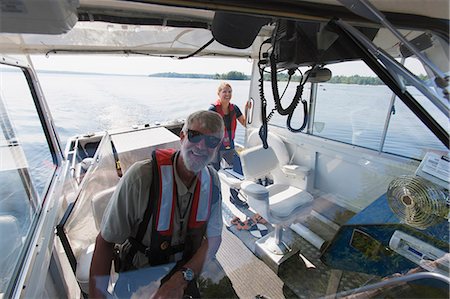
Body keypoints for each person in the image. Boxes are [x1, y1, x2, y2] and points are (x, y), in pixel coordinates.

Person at [89, 110, 225, 299]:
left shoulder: (213, 181)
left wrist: (181, 279)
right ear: (183, 136)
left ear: (218, 147)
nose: (201, 146)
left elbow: (214, 239)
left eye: (211, 141)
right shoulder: (141, 178)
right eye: (195, 136)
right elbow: (105, 242)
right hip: (139, 274)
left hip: (186, 271)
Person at [209, 82, 250, 207]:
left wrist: (246, 110)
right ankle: (212, 198)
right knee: (213, 172)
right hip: (215, 147)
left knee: (238, 170)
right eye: (224, 92)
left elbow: (245, 124)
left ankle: (234, 196)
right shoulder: (212, 110)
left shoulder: (234, 108)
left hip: (229, 146)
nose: (227, 94)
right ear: (219, 93)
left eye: (229, 91)